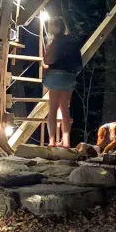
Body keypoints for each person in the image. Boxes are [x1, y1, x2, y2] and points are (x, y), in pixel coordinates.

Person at [42, 16, 81, 148]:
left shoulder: (55, 42)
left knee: (53, 108)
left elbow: (48, 61)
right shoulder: (73, 42)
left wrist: (48, 48)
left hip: (55, 75)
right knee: (65, 109)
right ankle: (66, 141)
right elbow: (78, 63)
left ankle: (52, 141)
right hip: (69, 76)